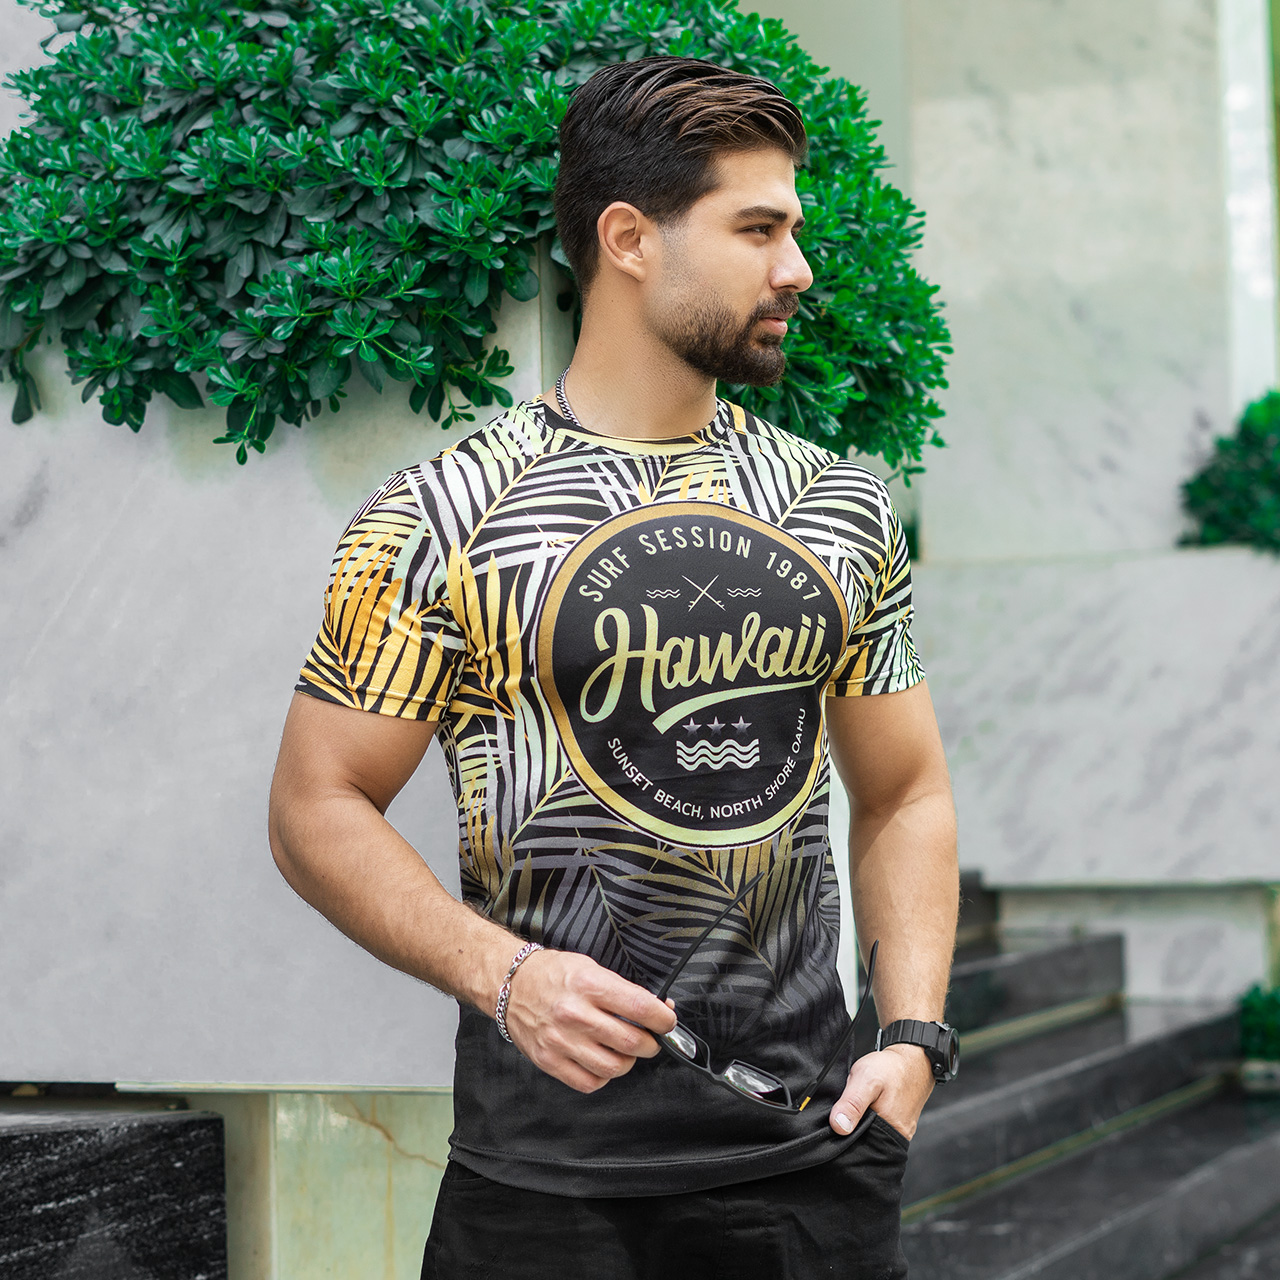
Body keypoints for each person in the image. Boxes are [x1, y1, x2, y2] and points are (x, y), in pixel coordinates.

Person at [268, 55, 958, 1280]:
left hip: (809, 1169)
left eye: (791, 229)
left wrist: (911, 1035)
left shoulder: (837, 505)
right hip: (542, 1187)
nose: (797, 268)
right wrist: (504, 975)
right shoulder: (440, 514)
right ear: (629, 239)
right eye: (757, 229)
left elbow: (903, 790)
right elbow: (316, 804)